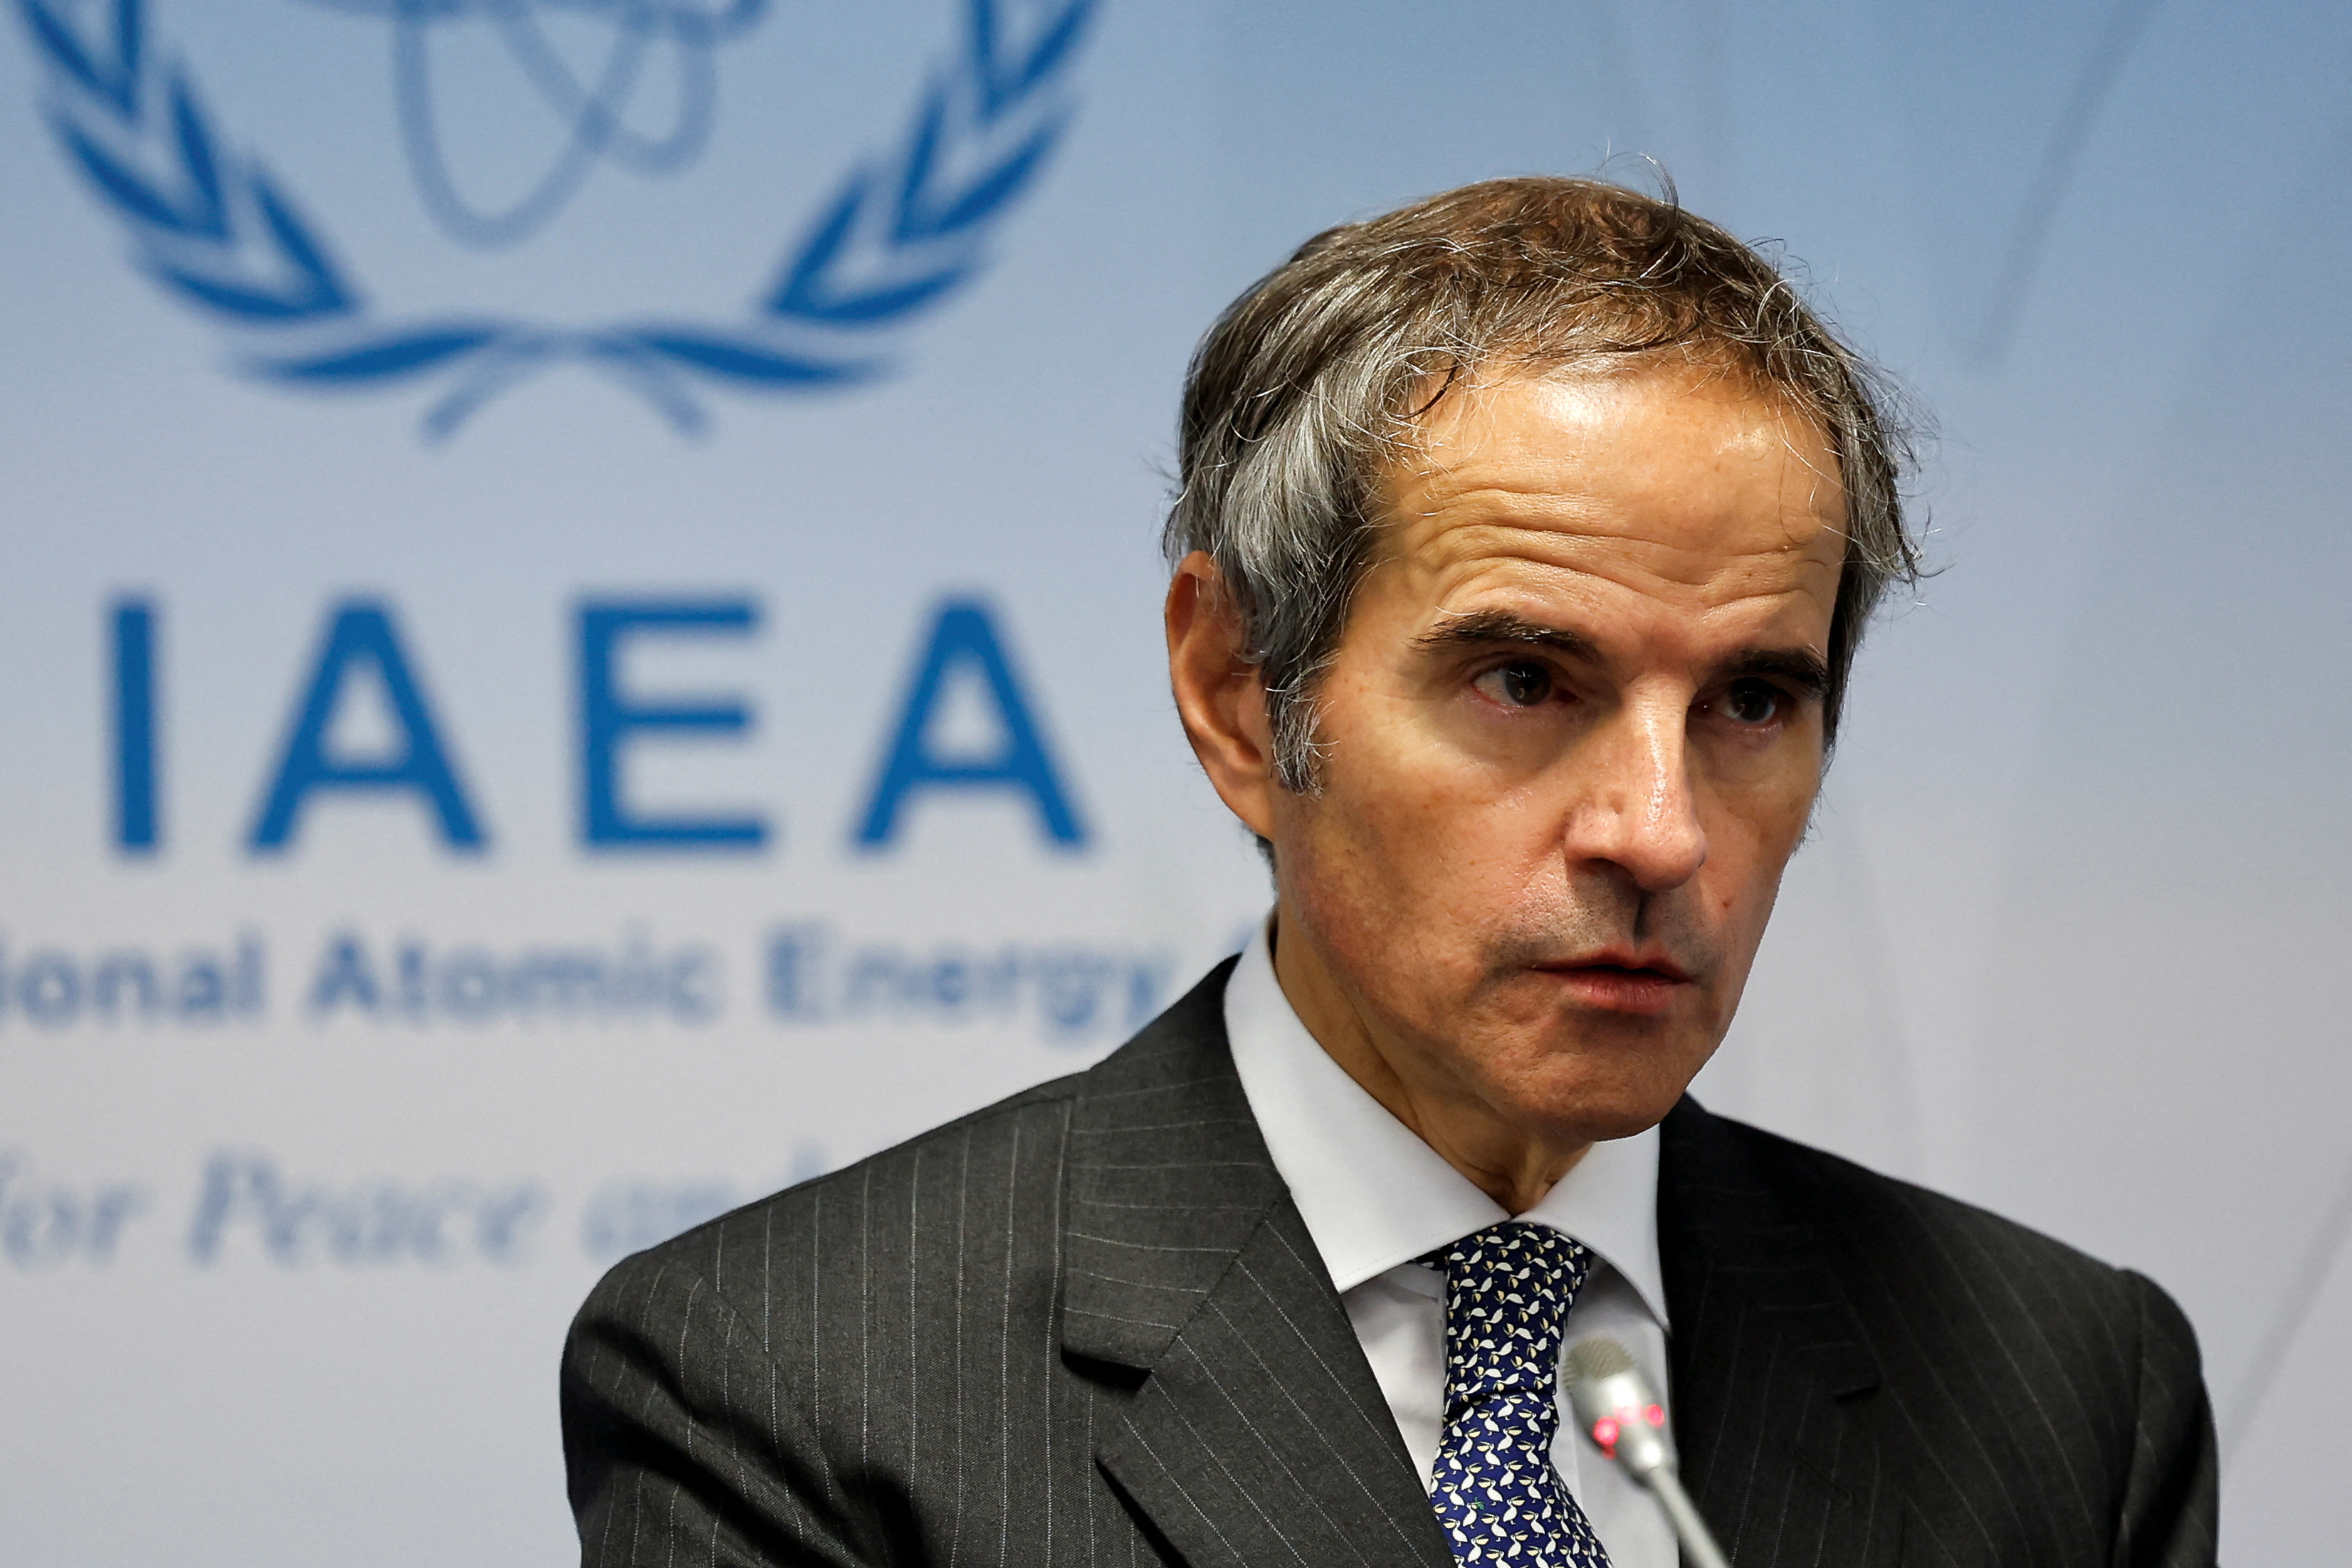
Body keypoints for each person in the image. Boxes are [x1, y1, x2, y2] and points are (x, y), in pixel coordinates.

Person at [562, 177, 2218, 1568]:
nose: (1658, 831)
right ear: (1238, 694)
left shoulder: (2063, 1389)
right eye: (1523, 679)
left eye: (1748, 702)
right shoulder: (791, 1381)